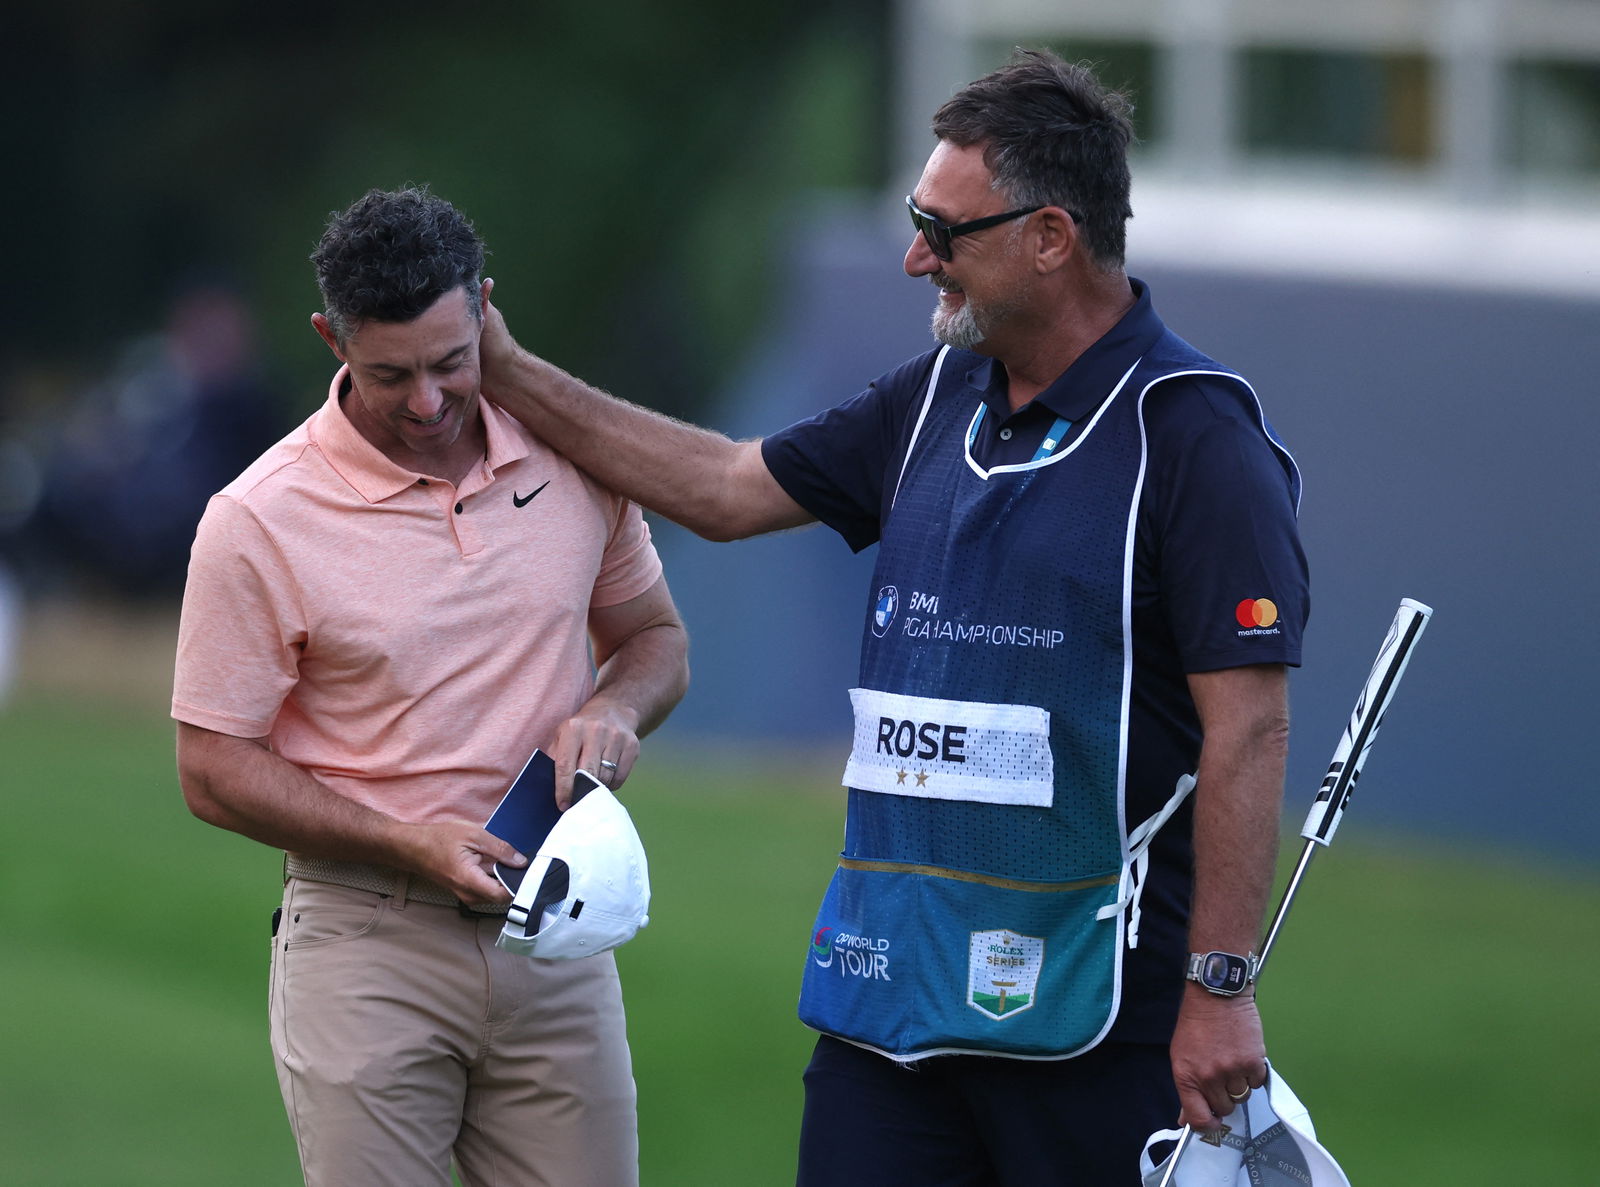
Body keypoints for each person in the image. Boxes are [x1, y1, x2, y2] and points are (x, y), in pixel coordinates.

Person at [482, 49, 1307, 1186]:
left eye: (944, 227)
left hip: (1093, 1022)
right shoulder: (932, 396)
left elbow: (1249, 731)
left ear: (1050, 237)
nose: (918, 253)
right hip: (887, 1008)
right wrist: (507, 373)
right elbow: (725, 488)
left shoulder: (1196, 437)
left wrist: (1220, 986)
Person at [172, 187, 688, 1187]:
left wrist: (615, 707)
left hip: (556, 930)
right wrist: (402, 838)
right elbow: (210, 768)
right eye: (388, 373)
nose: (426, 400)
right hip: (367, 943)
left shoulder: (574, 453)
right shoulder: (258, 518)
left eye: (453, 362)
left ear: (485, 309)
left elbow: (652, 638)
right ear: (331, 338)